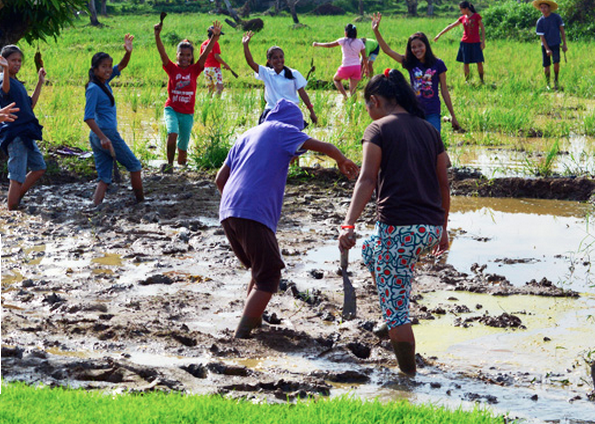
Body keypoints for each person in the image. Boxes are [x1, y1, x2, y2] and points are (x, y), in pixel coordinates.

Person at [338, 69, 450, 376]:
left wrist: (348, 224)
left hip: (399, 231)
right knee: (372, 250)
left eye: (367, 106)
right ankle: (391, 313)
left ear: (375, 101)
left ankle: (407, 377)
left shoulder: (378, 130)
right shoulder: (429, 130)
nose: (369, 112)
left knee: (398, 309)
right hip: (427, 229)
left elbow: (367, 179)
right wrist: (443, 229)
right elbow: (444, 184)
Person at [215, 98, 358, 338]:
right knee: (270, 275)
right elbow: (326, 147)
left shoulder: (247, 135)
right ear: (294, 125)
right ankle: (241, 335)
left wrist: (237, 203)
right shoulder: (284, 130)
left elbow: (220, 179)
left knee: (259, 271)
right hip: (253, 213)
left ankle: (255, 321)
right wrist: (341, 160)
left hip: (228, 211)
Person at [372, 13, 460, 133]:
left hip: (432, 111)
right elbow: (387, 50)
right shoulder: (410, 63)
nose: (417, 50)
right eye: (413, 47)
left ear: (426, 46)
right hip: (414, 110)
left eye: (420, 46)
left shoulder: (438, 64)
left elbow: (444, 91)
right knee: (416, 144)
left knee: (433, 143)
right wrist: (376, 31)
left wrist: (453, 115)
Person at [84, 34, 144, 206]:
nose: (108, 70)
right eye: (104, 67)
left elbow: (122, 65)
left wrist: (128, 52)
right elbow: (88, 117)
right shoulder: (94, 88)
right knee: (135, 166)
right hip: (106, 134)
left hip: (98, 136)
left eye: (109, 66)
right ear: (95, 69)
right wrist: (103, 137)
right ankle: (141, 202)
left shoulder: (103, 82)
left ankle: (94, 206)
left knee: (104, 177)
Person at [154, 20, 222, 172]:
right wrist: (157, 35)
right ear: (176, 56)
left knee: (183, 150)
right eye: (181, 55)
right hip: (172, 109)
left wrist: (214, 38)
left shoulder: (195, 69)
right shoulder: (171, 68)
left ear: (191, 57)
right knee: (172, 134)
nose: (184, 58)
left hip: (187, 114)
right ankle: (169, 166)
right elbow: (162, 52)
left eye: (188, 55)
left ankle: (182, 167)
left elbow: (204, 55)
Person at [0, 46, 47, 211]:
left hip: (26, 132)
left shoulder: (16, 83)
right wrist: (5, 70)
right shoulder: (4, 79)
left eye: (19, 61)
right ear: (3, 61)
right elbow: (4, 90)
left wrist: (39, 83)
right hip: (15, 133)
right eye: (13, 60)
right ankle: (12, 207)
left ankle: (16, 198)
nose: (17, 63)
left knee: (39, 167)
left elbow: (30, 105)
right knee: (17, 176)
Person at [242, 31, 317, 125]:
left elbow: (302, 93)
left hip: (290, 112)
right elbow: (251, 63)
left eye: (281, 57)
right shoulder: (267, 73)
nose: (279, 60)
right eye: (275, 58)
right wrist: (245, 45)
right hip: (271, 111)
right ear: (269, 61)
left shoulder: (293, 74)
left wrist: (312, 112)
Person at [434, 1, 485, 83]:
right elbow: (451, 26)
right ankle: (467, 81)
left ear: (466, 9)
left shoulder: (476, 16)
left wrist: (483, 42)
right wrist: (439, 34)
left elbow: (482, 28)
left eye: (461, 9)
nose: (461, 11)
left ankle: (482, 80)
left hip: (476, 43)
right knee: (466, 63)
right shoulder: (462, 18)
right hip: (465, 43)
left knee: (479, 62)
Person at [313, 23, 368, 100]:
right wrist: (366, 69)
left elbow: (329, 45)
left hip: (346, 66)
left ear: (346, 32)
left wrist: (317, 44)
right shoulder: (360, 42)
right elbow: (364, 58)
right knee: (353, 90)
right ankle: (353, 107)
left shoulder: (343, 40)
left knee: (336, 79)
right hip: (357, 67)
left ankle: (345, 96)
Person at [533, 0, 567, 90]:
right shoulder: (540, 21)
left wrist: (564, 44)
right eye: (541, 7)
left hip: (556, 43)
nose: (543, 9)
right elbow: (542, 36)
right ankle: (548, 84)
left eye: (545, 7)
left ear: (549, 8)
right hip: (545, 45)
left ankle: (556, 81)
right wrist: (547, 48)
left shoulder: (556, 18)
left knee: (556, 62)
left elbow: (562, 31)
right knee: (546, 65)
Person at [200, 25, 231, 97]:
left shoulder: (203, 44)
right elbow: (216, 56)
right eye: (219, 34)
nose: (219, 37)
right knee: (220, 87)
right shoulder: (215, 43)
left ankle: (208, 103)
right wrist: (225, 64)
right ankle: (216, 103)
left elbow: (201, 57)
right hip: (214, 68)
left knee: (210, 89)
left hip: (206, 69)